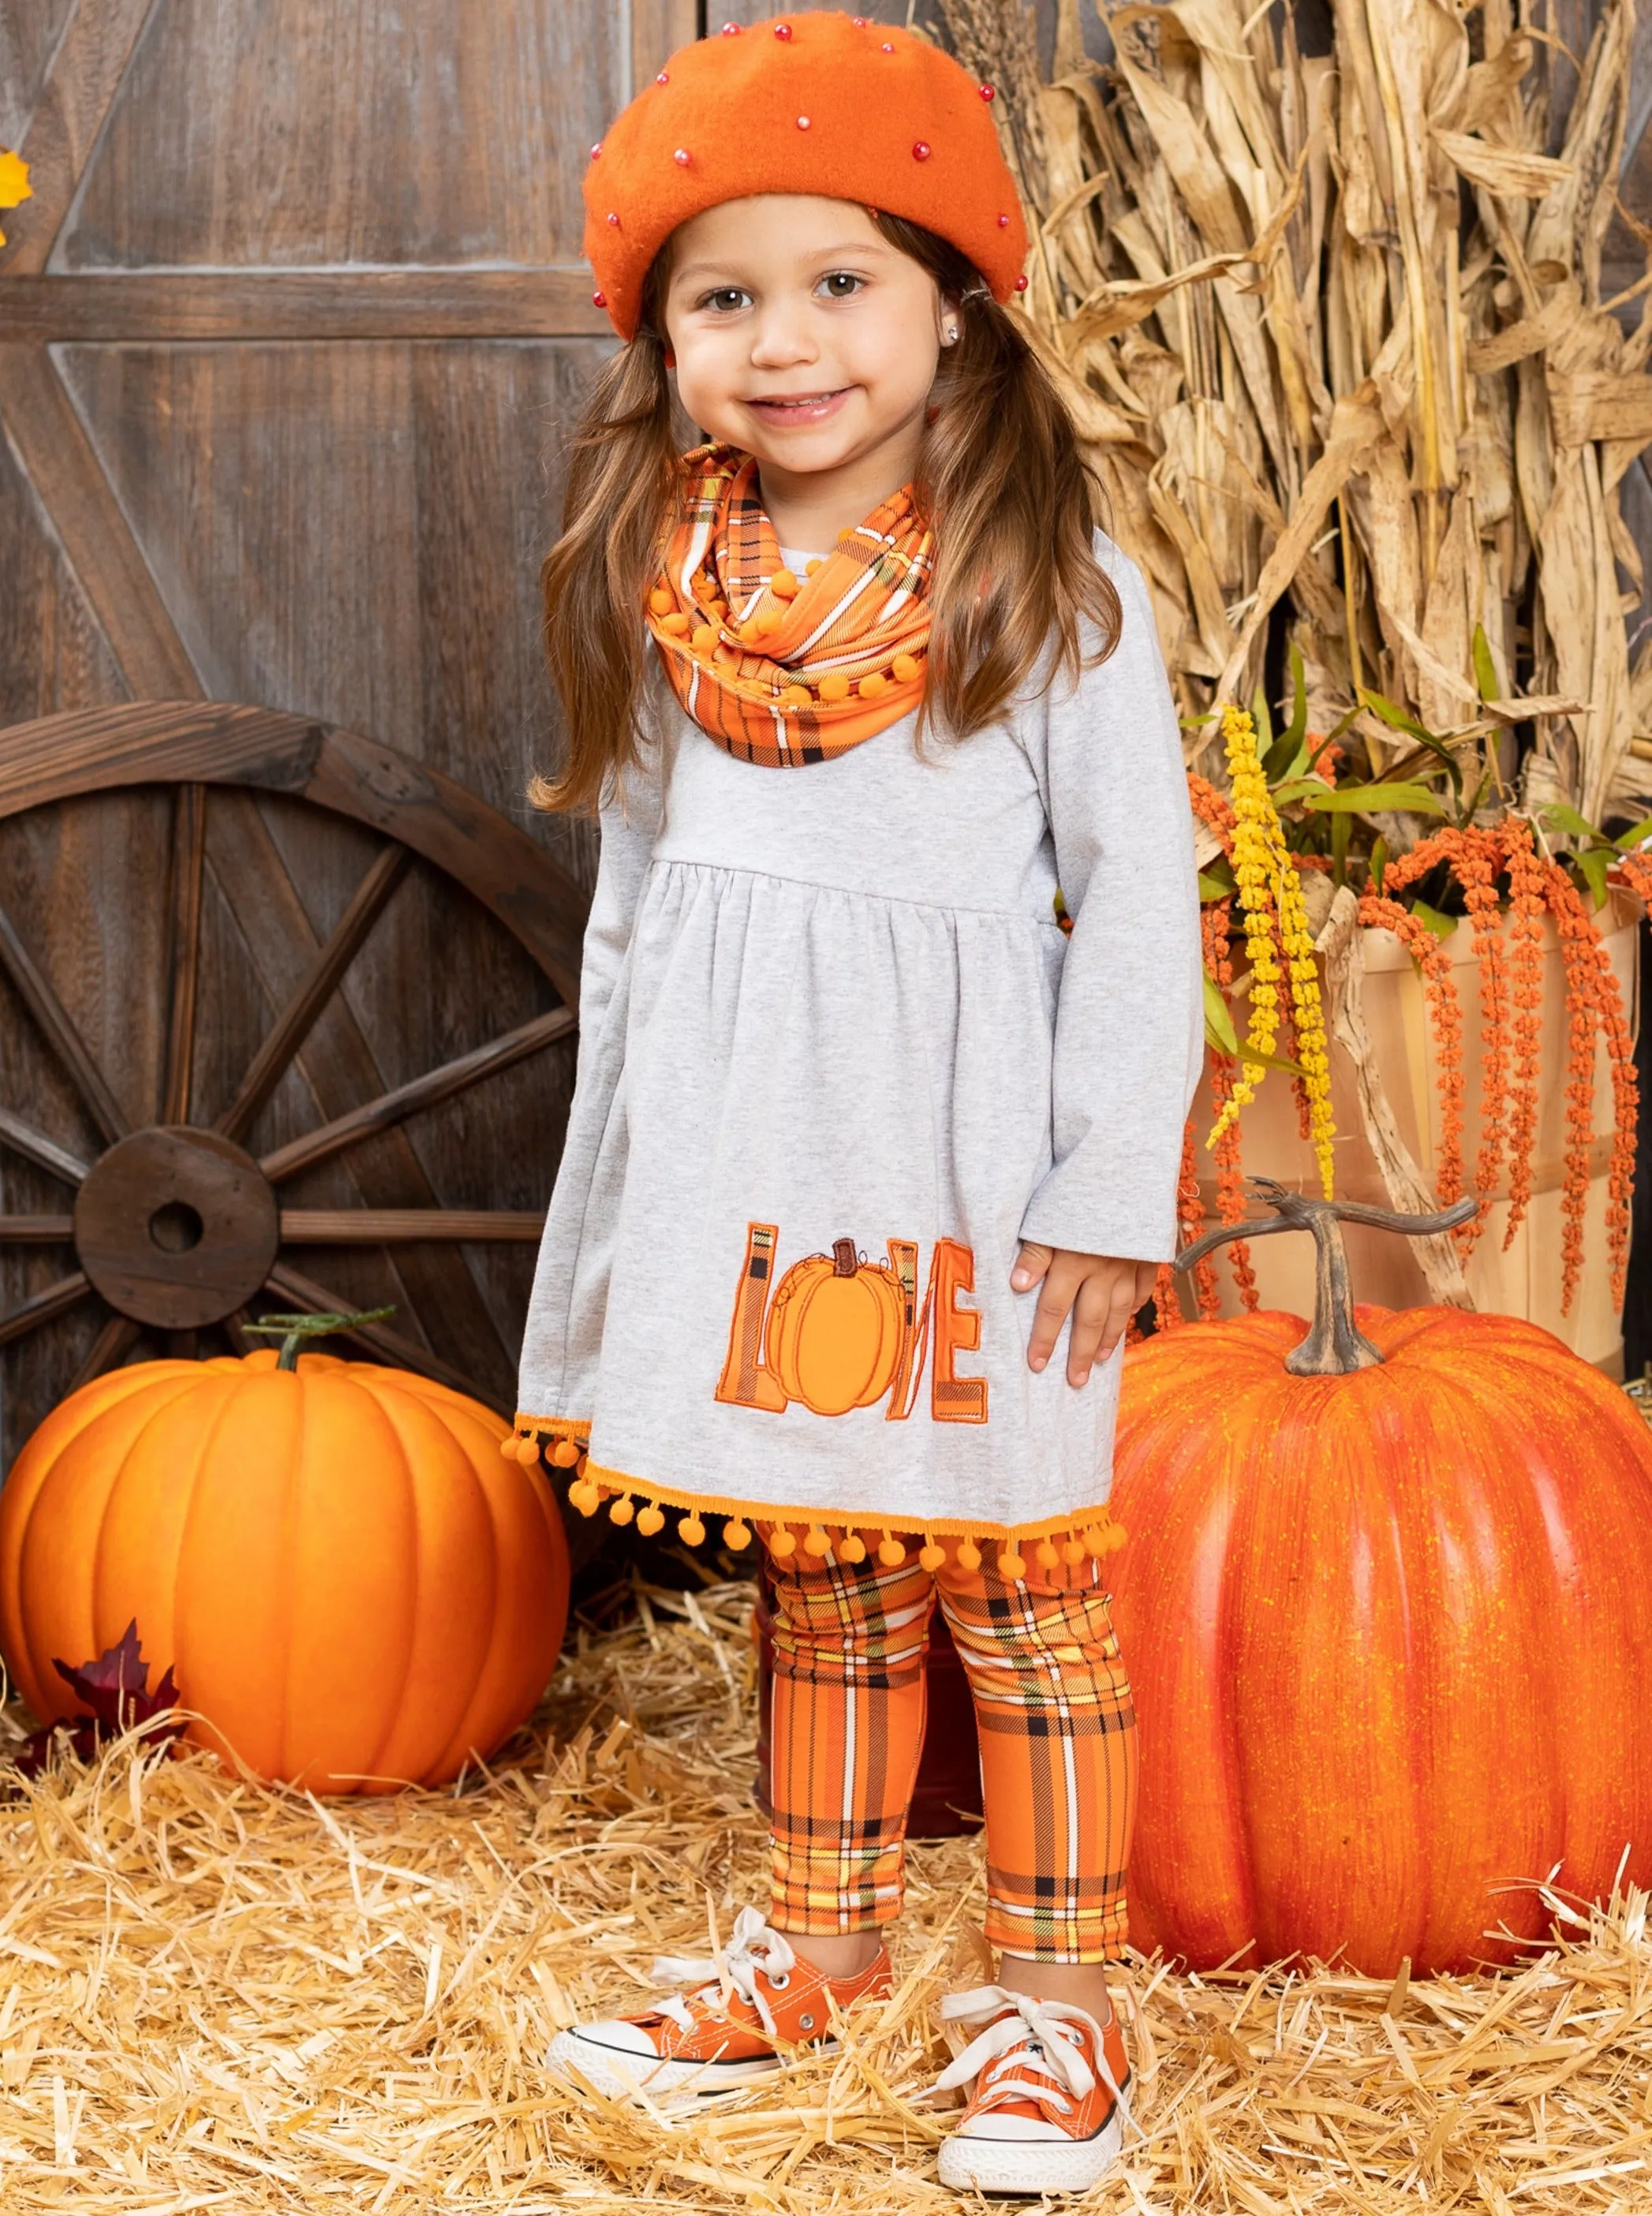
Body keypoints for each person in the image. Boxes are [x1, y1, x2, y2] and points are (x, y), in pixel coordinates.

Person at [515, 14, 1202, 2195]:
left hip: (975, 1185)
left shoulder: (1054, 599)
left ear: (948, 306)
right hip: (753, 1176)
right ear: (663, 345)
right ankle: (815, 1944)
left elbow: (1141, 912)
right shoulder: (663, 606)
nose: (781, 341)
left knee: (1017, 1590)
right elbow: (634, 926)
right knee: (822, 1579)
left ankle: (1053, 2002)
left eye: (836, 284)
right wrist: (618, 1189)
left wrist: (1109, 1191)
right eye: (722, 298)